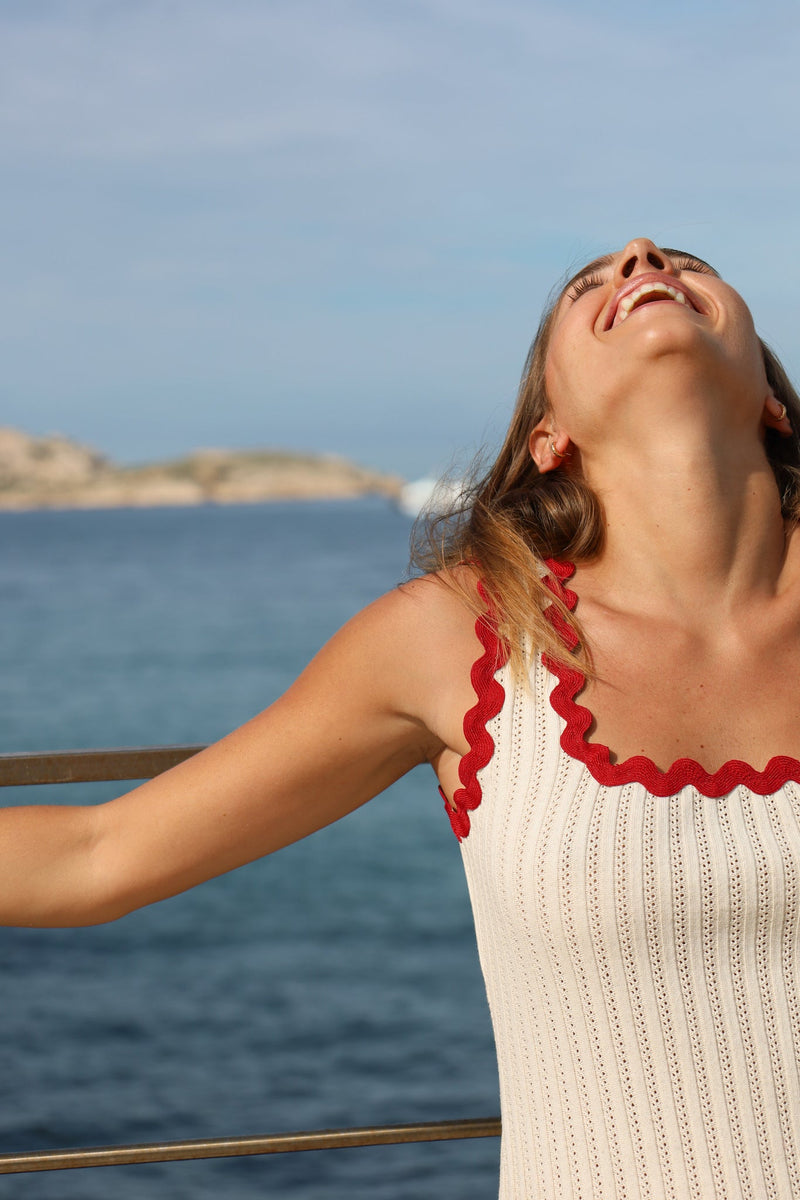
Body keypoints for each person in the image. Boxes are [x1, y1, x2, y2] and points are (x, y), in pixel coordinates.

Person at [3, 236, 800, 1198]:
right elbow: (97, 853)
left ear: (769, 396)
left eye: (684, 262)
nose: (637, 261)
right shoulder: (455, 638)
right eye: (591, 283)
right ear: (549, 435)